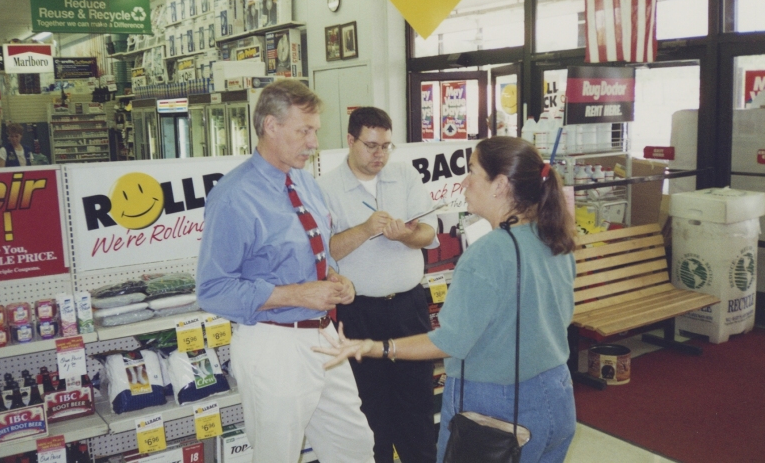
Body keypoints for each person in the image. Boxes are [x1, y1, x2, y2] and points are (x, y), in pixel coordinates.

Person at [315, 136, 578, 463]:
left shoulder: (487, 253)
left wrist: (376, 347)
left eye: (472, 171)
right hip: (556, 395)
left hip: (495, 408)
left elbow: (451, 342)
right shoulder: (553, 238)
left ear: (499, 185)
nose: (464, 182)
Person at [196, 80, 375, 463]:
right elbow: (213, 289)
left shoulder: (306, 183)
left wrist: (335, 279)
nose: (314, 142)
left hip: (324, 337)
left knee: (355, 446)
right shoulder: (234, 196)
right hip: (273, 344)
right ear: (271, 126)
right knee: (276, 454)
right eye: (304, 131)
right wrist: (297, 294)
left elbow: (315, 253)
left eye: (315, 131)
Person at [317, 107, 438, 463]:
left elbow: (428, 233)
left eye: (386, 146)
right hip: (359, 313)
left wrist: (405, 236)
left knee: (417, 405)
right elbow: (325, 251)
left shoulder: (405, 175)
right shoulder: (325, 188)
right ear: (350, 141)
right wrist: (366, 229)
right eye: (371, 146)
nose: (379, 155)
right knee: (369, 410)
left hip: (409, 308)